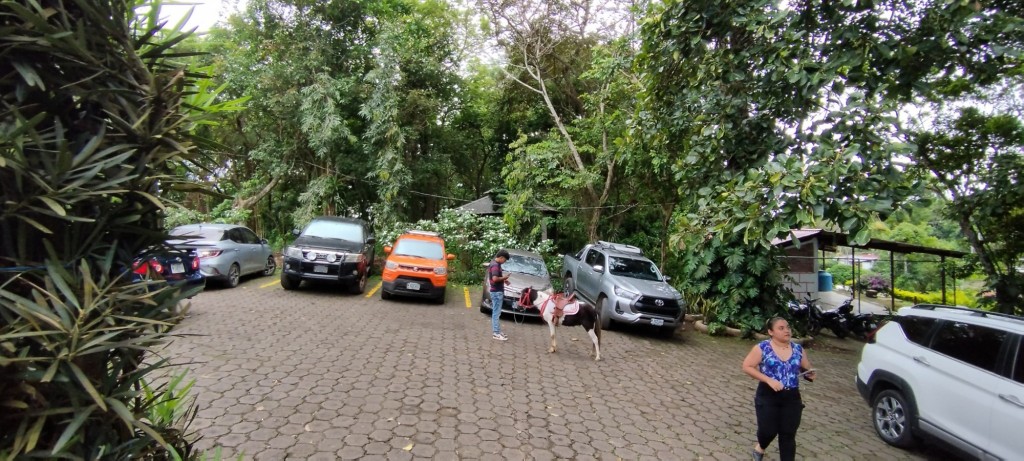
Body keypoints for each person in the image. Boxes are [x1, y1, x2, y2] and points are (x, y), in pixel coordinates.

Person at [741, 317, 816, 461]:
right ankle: (761, 446)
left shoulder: (798, 349)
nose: (786, 330)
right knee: (768, 431)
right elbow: (747, 366)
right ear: (771, 332)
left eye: (788, 327)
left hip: (792, 397)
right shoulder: (762, 348)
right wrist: (768, 380)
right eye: (781, 328)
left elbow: (806, 368)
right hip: (768, 395)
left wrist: (810, 374)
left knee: (788, 434)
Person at [487, 249, 512, 341]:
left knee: (497, 313)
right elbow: (495, 279)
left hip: (497, 291)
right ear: (501, 257)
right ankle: (496, 333)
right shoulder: (495, 266)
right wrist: (504, 277)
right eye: (505, 260)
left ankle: (497, 331)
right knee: (496, 313)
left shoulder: (495, 264)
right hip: (496, 292)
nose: (504, 262)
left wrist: (504, 280)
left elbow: (497, 277)